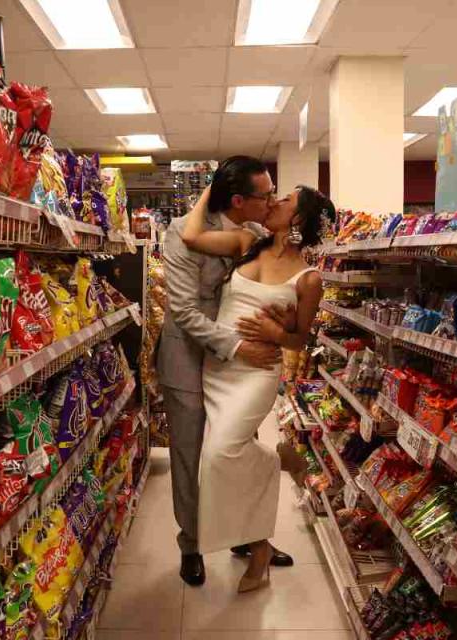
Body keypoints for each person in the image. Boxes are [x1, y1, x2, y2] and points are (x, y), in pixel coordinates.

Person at [181, 181, 334, 593]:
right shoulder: (247, 241)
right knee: (227, 460)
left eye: (285, 200)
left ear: (298, 218)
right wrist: (212, 187)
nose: (274, 201)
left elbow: (301, 338)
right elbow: (191, 235)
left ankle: (274, 461)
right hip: (219, 367)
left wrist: (273, 330)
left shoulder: (309, 278)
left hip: (257, 373)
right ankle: (259, 546)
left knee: (219, 455)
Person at [157, 156, 294, 589]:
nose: (272, 199)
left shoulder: (253, 234)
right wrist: (239, 345)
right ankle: (192, 544)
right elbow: (183, 311)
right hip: (188, 354)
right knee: (191, 451)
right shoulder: (182, 233)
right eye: (266, 194)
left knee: (238, 446)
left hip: (237, 362)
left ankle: (248, 538)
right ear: (239, 200)